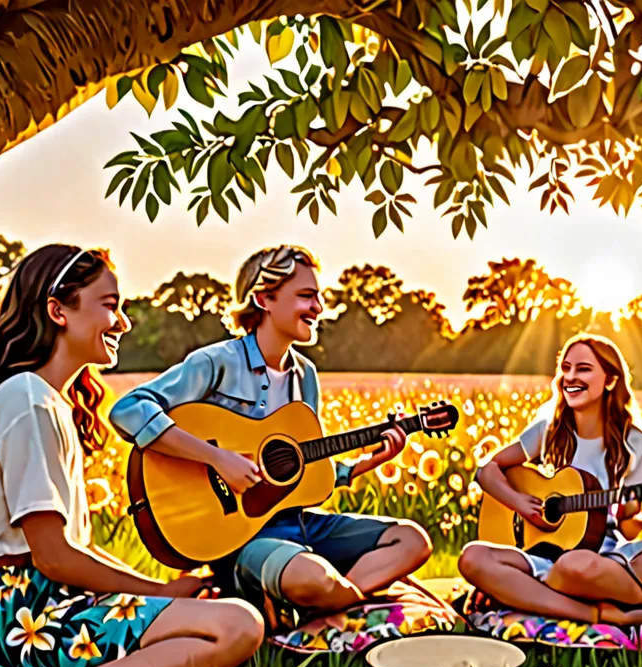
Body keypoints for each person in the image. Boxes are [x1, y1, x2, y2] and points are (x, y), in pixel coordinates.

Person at [0, 245, 263, 667]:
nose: (124, 323)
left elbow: (74, 552)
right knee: (237, 626)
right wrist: (157, 591)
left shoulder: (47, 400)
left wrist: (167, 595)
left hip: (39, 609)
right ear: (58, 311)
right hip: (0, 628)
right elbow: (53, 558)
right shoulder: (30, 402)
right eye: (111, 305)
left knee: (223, 618)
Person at [109, 245, 431, 622]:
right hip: (241, 539)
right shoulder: (216, 362)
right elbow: (128, 410)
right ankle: (329, 597)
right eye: (306, 296)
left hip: (300, 524)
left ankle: (330, 603)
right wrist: (217, 458)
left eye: (318, 296)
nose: (318, 308)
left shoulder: (304, 375)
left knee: (412, 540)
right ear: (264, 298)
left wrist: (367, 462)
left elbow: (304, 470)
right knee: (310, 575)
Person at [458, 334, 642, 625]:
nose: (570, 377)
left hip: (605, 559)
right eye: (566, 368)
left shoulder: (634, 439)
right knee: (472, 557)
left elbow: (628, 525)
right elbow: (487, 471)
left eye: (583, 368)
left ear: (610, 380)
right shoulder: (548, 431)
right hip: (545, 557)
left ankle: (524, 593)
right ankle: (609, 608)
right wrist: (520, 504)